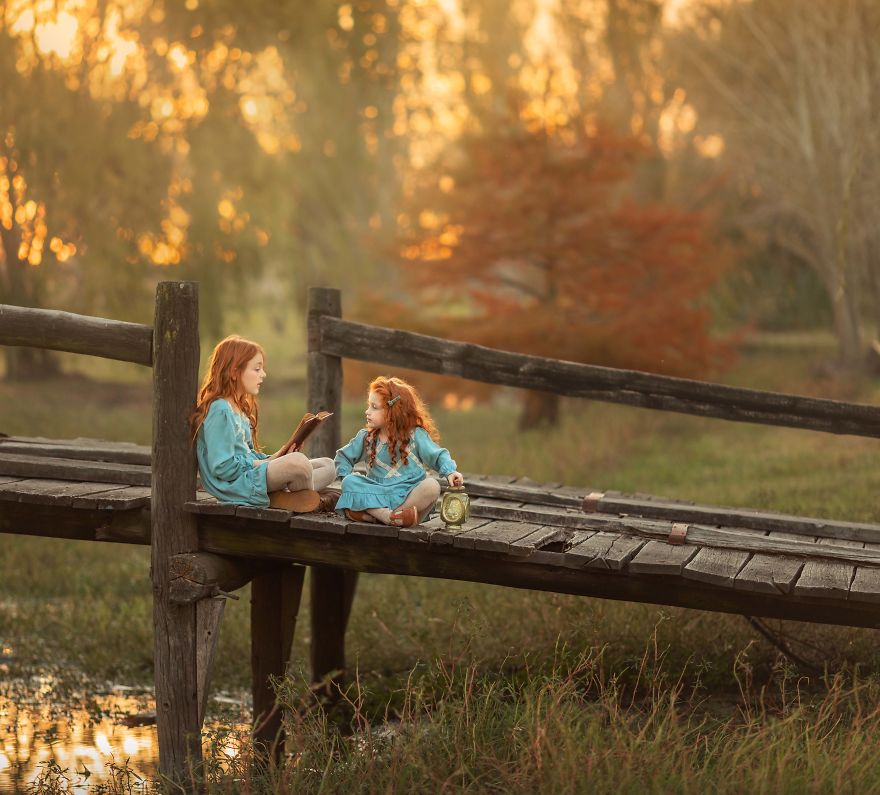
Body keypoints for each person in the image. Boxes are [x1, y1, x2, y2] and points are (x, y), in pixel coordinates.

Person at [190, 335, 337, 512]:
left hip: (250, 476)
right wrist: (271, 463)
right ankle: (295, 497)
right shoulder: (220, 409)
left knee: (329, 466)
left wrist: (275, 456)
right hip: (235, 486)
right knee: (299, 463)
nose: (263, 374)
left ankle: (283, 495)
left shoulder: (238, 409)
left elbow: (247, 455)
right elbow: (223, 468)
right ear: (235, 372)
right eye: (257, 369)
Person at [335, 375, 464, 527]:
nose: (367, 411)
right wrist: (346, 477)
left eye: (374, 407)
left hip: (408, 494)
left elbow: (437, 455)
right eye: (369, 405)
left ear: (393, 412)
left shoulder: (415, 435)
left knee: (432, 486)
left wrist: (450, 471)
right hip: (377, 493)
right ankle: (391, 518)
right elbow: (343, 456)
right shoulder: (367, 438)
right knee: (350, 482)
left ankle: (377, 515)